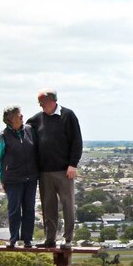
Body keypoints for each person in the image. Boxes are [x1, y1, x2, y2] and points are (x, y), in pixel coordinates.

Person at [27, 88, 83, 250]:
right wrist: (2, 134)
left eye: (42, 102)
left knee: (68, 205)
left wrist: (73, 164)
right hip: (44, 172)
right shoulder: (37, 119)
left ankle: (68, 240)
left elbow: (77, 141)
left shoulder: (68, 115)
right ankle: (49, 238)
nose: (40, 105)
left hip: (64, 170)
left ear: (52, 100)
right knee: (48, 206)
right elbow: (20, 130)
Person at [0, 106, 39, 248]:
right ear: (10, 119)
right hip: (12, 179)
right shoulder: (3, 136)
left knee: (29, 209)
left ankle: (27, 239)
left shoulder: (30, 130)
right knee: (14, 209)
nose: (22, 116)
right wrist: (1, 179)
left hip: (30, 177)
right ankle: (13, 238)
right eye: (18, 115)